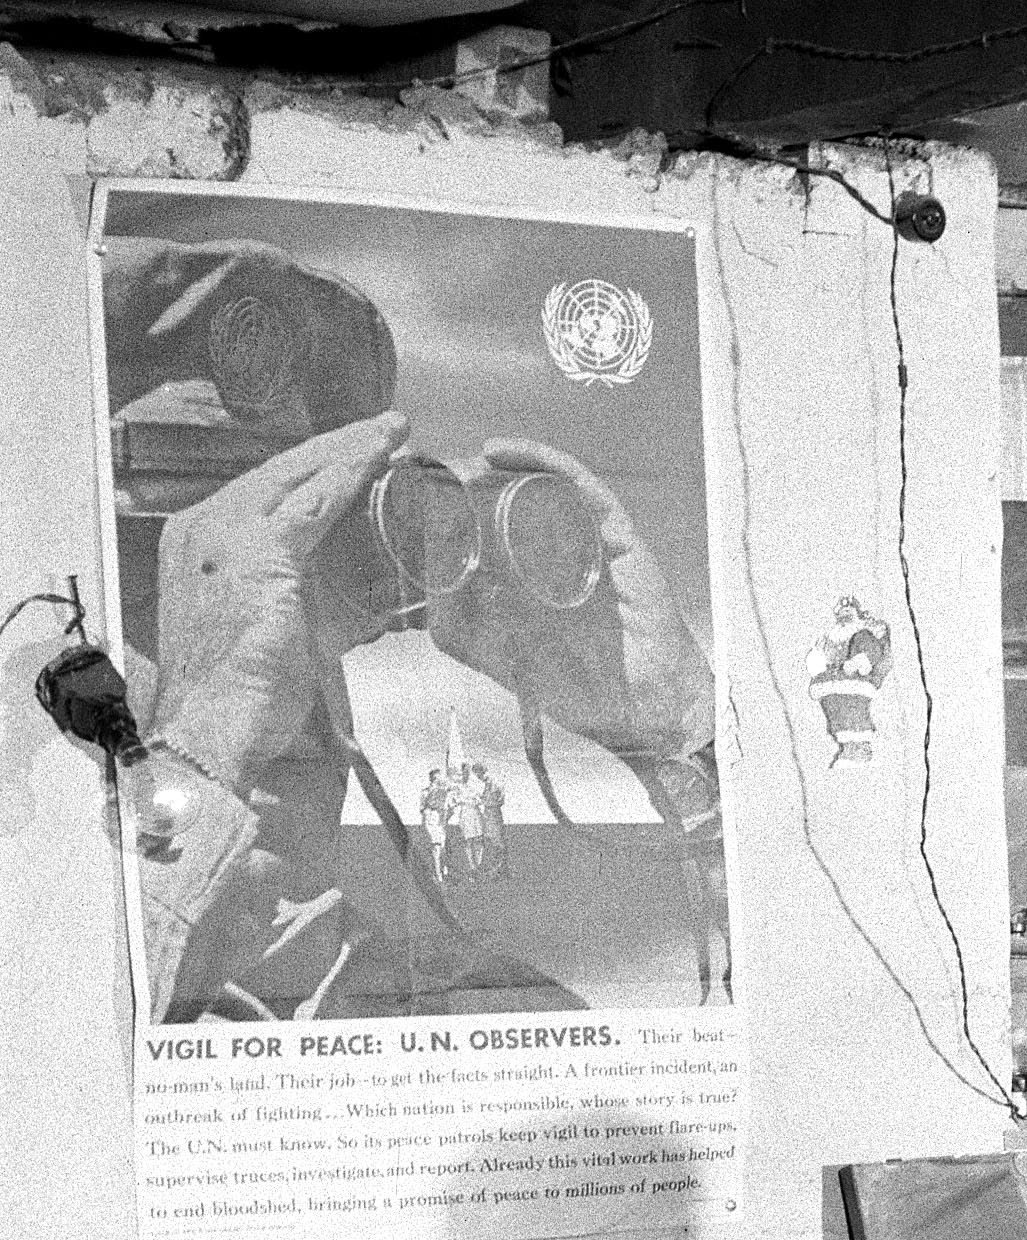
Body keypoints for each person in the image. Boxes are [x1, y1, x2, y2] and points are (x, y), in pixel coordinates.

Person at [100, 238, 722, 1021]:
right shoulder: (49, 979)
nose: (270, 648)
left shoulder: (462, 1012)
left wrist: (677, 730)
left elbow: (810, 1014)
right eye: (179, 589)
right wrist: (199, 750)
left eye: (318, 562)